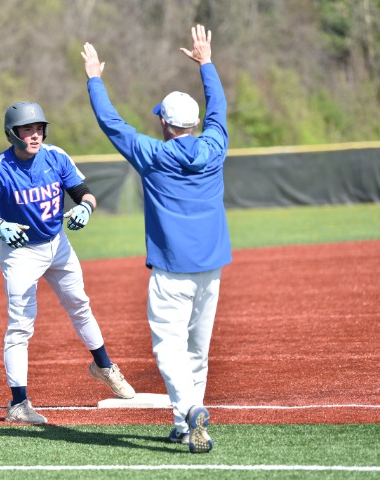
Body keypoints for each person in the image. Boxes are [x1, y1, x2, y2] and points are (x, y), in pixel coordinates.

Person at [81, 25, 230, 453]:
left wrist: (94, 79)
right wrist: (206, 64)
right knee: (197, 349)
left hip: (171, 270)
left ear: (164, 122)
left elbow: (112, 124)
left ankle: (189, 410)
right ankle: (186, 424)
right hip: (211, 267)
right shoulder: (214, 147)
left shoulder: (154, 154)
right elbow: (219, 110)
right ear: (195, 123)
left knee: (169, 348)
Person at [0, 101, 136, 424]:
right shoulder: (0, 168)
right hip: (20, 253)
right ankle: (18, 404)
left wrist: (86, 208)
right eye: (27, 129)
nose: (35, 135)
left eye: (39, 128)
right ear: (12, 134)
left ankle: (104, 367)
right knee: (20, 326)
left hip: (57, 244)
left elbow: (85, 193)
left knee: (80, 304)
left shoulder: (56, 157)